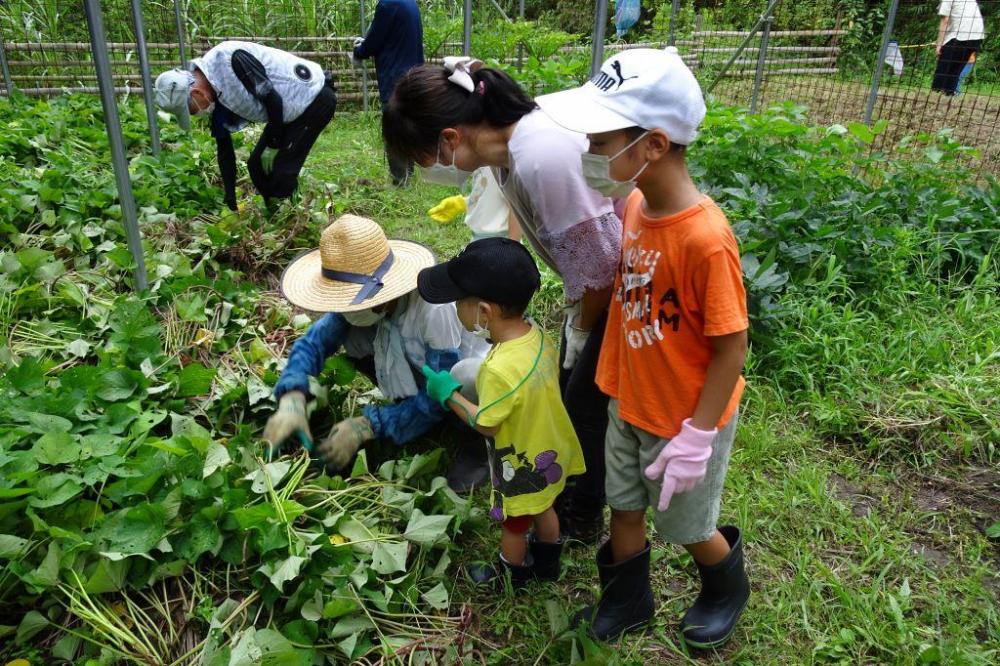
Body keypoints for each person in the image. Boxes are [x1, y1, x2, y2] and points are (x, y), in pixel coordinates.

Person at [536, 47, 750, 647]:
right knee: (623, 509)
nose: (591, 155)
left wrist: (698, 435)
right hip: (627, 399)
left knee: (684, 525)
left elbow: (732, 346)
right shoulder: (633, 205)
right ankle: (627, 599)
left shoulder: (705, 238)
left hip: (682, 418)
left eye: (601, 142)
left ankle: (725, 583)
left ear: (652, 145)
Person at [381, 57, 623, 544]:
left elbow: (601, 267)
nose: (432, 170)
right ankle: (573, 502)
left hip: (623, 287)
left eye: (425, 158)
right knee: (573, 393)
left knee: (584, 403)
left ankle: (581, 513)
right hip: (600, 284)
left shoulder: (540, 156)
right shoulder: (511, 152)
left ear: (450, 138)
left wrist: (582, 328)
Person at [264, 214, 491, 492]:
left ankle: (477, 447)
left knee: (466, 377)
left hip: (460, 380)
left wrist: (370, 424)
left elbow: (441, 389)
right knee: (353, 336)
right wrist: (292, 396)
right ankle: (409, 411)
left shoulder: (432, 309)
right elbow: (314, 343)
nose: (344, 311)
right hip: (423, 371)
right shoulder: (360, 309)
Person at [417, 238, 585, 586]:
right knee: (544, 508)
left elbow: (488, 424)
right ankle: (549, 562)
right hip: (549, 451)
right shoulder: (538, 336)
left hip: (522, 462)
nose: (454, 308)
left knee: (515, 523)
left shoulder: (496, 369)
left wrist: (449, 395)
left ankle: (512, 574)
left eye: (457, 303)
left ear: (484, 313)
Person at [155, 41, 337, 211]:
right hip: (286, 112)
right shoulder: (215, 94)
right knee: (256, 166)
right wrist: (230, 198)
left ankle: (295, 216)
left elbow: (274, 101)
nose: (195, 115)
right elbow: (224, 149)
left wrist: (273, 145)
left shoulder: (229, 61)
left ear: (197, 93)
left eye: (192, 110)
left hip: (314, 97)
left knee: (281, 170)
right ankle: (275, 213)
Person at [353, 0, 425, 185]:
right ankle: (407, 176)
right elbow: (391, 36)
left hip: (395, 77)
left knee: (393, 130)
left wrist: (359, 50)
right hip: (412, 74)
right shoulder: (408, 2)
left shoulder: (388, 4)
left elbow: (374, 41)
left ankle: (400, 182)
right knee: (406, 128)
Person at [427, 167, 522, 242]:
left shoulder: (500, 167)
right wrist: (463, 203)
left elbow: (516, 209)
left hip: (499, 239)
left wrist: (512, 248)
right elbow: (484, 191)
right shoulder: (484, 164)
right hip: (480, 237)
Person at [932, 0, 985, 95]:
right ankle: (949, 94)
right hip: (977, 36)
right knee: (955, 71)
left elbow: (945, 21)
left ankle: (935, 95)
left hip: (961, 36)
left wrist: (939, 44)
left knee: (943, 69)